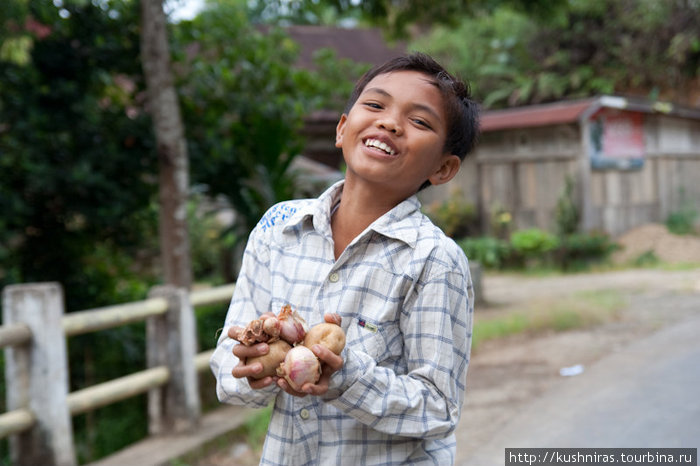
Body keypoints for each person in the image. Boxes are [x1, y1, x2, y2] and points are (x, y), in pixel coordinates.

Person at [210, 52, 480, 465]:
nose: (389, 123)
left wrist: (346, 376)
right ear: (341, 129)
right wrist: (256, 366)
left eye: (420, 121)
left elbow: (438, 407)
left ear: (443, 168)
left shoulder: (433, 260)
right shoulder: (277, 227)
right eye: (375, 105)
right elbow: (229, 377)